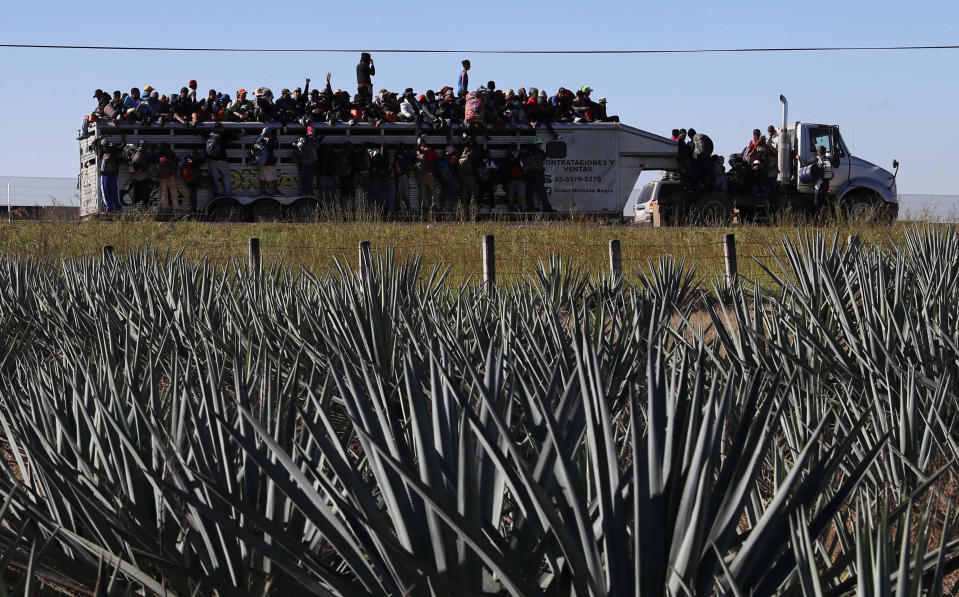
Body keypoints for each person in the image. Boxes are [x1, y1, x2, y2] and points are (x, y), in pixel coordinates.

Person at [94, 137, 123, 213]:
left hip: (104, 175)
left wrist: (98, 138)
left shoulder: (100, 151)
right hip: (113, 175)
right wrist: (123, 139)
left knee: (105, 192)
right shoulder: (113, 150)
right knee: (115, 192)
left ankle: (108, 208)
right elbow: (122, 147)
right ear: (108, 143)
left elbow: (93, 144)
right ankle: (118, 208)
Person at [204, 122, 234, 197]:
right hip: (221, 159)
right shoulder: (222, 135)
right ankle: (228, 194)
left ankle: (216, 193)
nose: (223, 129)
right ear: (219, 128)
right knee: (226, 176)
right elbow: (232, 138)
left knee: (214, 177)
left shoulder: (210, 134)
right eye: (222, 127)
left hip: (211, 159)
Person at [524, 139, 552, 212]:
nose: (540, 145)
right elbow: (540, 160)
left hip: (530, 175)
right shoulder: (540, 152)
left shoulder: (527, 153)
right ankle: (547, 208)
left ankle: (531, 208)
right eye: (539, 144)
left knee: (530, 193)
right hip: (538, 175)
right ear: (537, 144)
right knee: (542, 193)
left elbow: (525, 163)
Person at [251, 127, 280, 195]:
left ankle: (263, 191)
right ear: (269, 133)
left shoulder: (259, 139)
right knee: (273, 176)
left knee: (263, 177)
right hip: (269, 161)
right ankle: (275, 190)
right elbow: (276, 146)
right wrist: (273, 138)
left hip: (261, 161)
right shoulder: (270, 140)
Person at [415, 138, 439, 217]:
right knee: (433, 191)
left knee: (423, 192)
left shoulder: (416, 152)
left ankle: (424, 208)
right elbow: (436, 160)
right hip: (429, 174)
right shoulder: (430, 150)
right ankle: (434, 207)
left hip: (420, 175)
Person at [295, 126, 319, 196]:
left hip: (309, 162)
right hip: (305, 162)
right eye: (310, 133)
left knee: (309, 179)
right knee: (305, 179)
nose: (311, 135)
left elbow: (317, 147)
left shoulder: (314, 139)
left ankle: (308, 191)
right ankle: (304, 192)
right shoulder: (303, 138)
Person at [155, 142, 180, 210]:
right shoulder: (171, 153)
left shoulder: (159, 154)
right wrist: (175, 173)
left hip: (162, 176)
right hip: (171, 176)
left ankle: (164, 208)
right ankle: (175, 208)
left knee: (164, 193)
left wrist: (158, 175)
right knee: (173, 193)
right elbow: (176, 162)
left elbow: (156, 164)